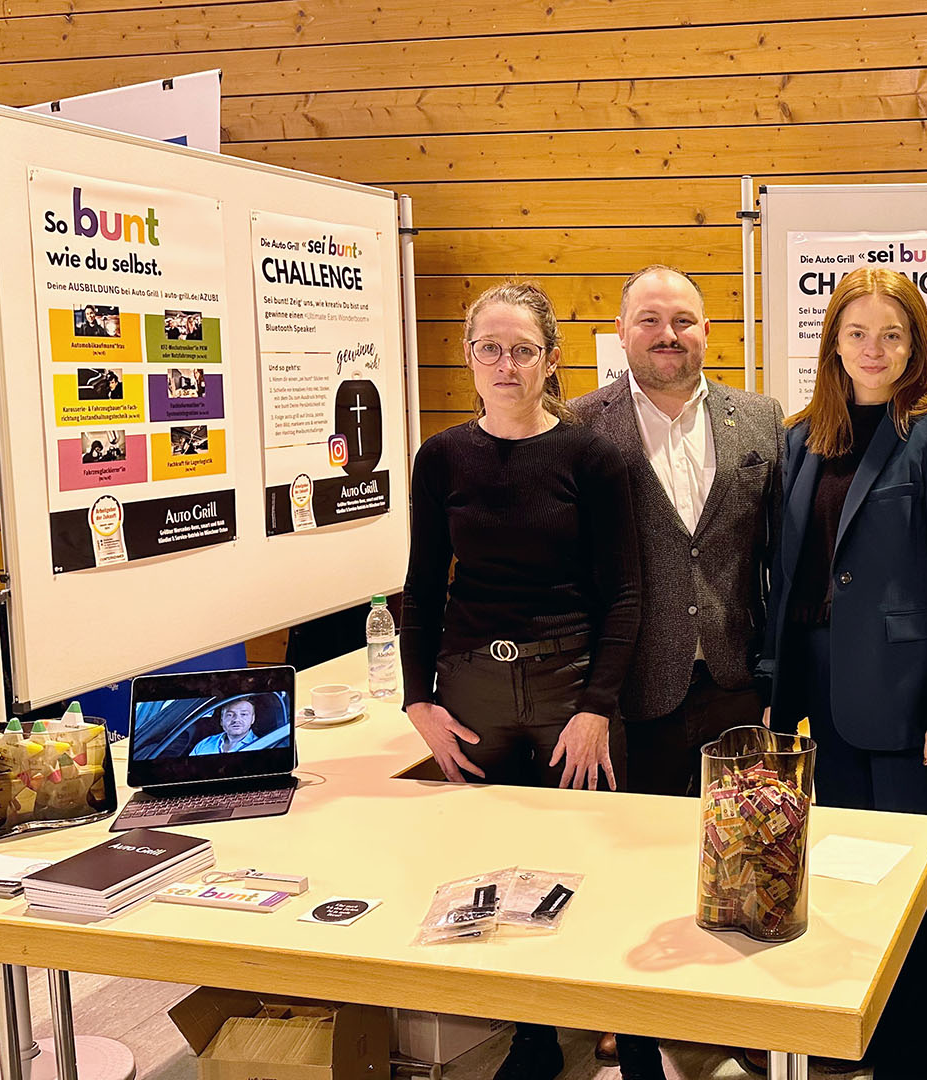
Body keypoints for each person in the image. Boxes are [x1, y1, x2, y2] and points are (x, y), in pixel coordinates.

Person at [399, 280, 640, 1080]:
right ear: (468, 357)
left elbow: (626, 593)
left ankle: (593, 1010)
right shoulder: (440, 458)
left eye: (523, 350)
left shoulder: (594, 457)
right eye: (489, 348)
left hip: (568, 686)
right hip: (470, 690)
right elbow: (423, 585)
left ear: (551, 360)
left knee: (576, 858)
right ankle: (529, 1036)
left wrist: (597, 706)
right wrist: (418, 700)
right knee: (489, 867)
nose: (506, 364)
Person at [760, 267, 927, 1080]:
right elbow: (790, 575)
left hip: (905, 691)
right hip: (819, 685)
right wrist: (775, 683)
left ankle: (921, 1058)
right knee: (848, 871)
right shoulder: (800, 437)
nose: (874, 348)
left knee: (916, 884)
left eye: (893, 333)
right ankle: (858, 1036)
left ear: (916, 344)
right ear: (834, 343)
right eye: (858, 332)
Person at [574, 266, 783, 1080]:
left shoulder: (759, 418)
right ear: (623, 333)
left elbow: (777, 556)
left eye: (685, 320)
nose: (669, 334)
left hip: (736, 677)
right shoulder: (580, 424)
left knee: (746, 854)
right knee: (641, 855)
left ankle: (736, 1011)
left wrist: (777, 678)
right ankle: (635, 1021)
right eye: (650, 320)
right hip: (634, 685)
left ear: (708, 331)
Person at [189, 698, 260, 755]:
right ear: (221, 721)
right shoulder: (204, 744)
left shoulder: (261, 744)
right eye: (230, 715)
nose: (236, 719)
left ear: (252, 719)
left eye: (243, 714)